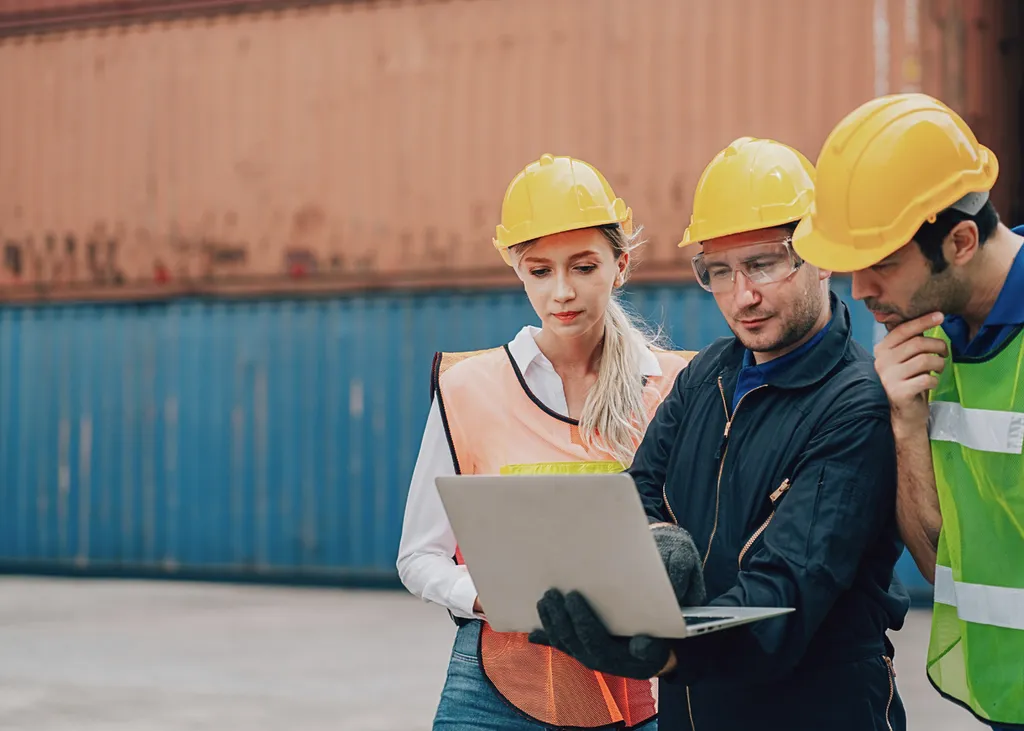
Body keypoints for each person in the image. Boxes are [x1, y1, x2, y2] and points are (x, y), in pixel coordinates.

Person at [529, 137, 911, 730]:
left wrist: (669, 649)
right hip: (693, 708)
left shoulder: (854, 403)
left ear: (821, 257)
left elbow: (791, 586)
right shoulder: (707, 375)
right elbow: (640, 489)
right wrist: (655, 542)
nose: (743, 296)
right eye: (720, 272)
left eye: (762, 263)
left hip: (819, 711)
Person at [397, 153, 695, 730]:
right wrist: (486, 595)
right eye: (540, 271)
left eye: (584, 266)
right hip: (493, 692)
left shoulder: (673, 387)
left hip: (639, 692)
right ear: (518, 271)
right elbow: (418, 555)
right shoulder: (467, 388)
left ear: (622, 264)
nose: (562, 292)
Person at [792, 92, 1024, 731]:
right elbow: (941, 563)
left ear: (961, 240)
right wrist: (904, 422)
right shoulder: (928, 343)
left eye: (883, 266)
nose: (859, 291)